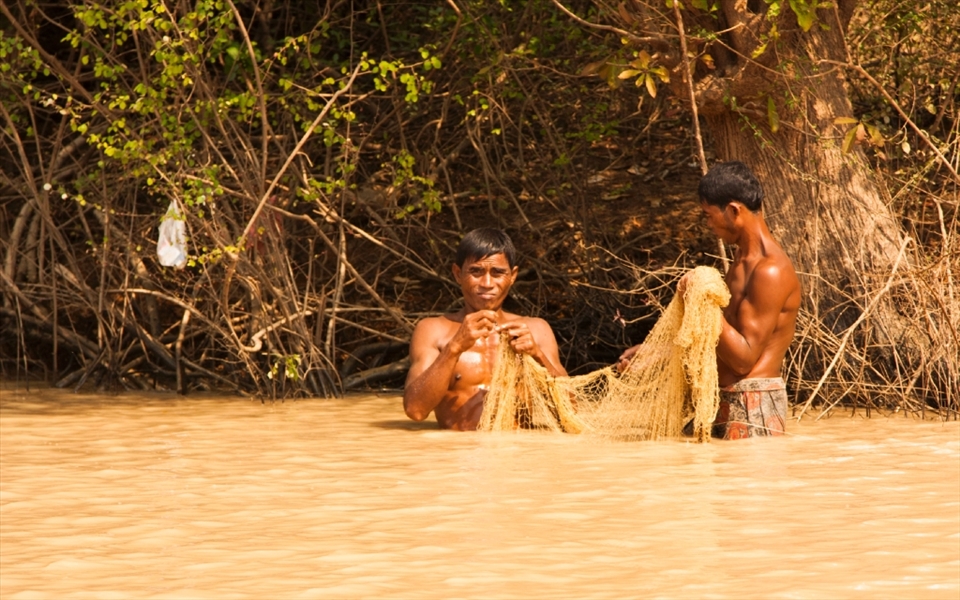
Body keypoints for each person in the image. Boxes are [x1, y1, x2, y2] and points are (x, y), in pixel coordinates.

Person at [619, 161, 801, 439]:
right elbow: (721, 335)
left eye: (707, 215)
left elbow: (743, 359)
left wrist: (702, 300)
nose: (707, 224)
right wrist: (658, 351)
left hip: (752, 409)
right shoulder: (742, 260)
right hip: (720, 401)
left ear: (733, 211)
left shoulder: (770, 270)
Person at [403, 228, 567, 430]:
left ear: (512, 276)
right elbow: (415, 409)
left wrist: (537, 355)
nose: (487, 283)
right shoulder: (433, 330)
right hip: (459, 456)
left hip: (517, 454)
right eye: (476, 271)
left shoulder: (536, 329)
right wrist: (455, 347)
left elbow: (570, 410)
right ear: (458, 274)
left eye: (497, 273)